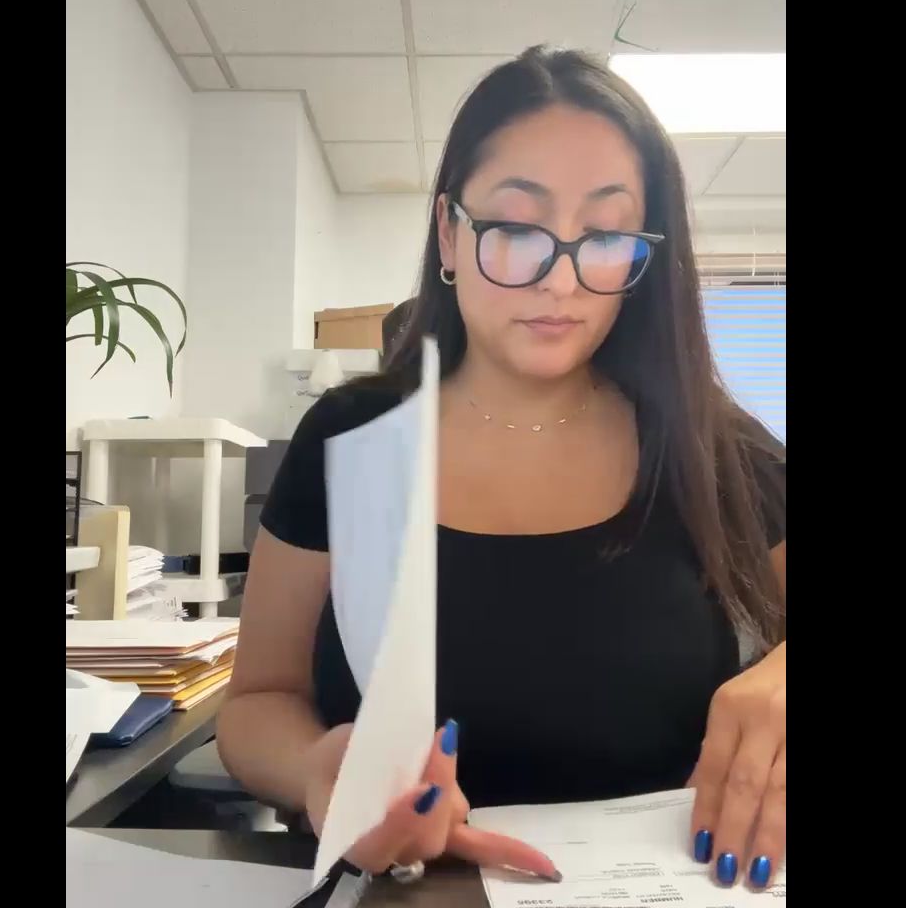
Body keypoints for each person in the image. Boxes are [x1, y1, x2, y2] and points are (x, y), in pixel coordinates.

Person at [217, 46, 786, 892]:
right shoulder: (350, 435)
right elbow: (257, 701)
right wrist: (314, 768)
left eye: (604, 236)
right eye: (518, 229)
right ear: (450, 233)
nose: (561, 280)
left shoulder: (715, 449)